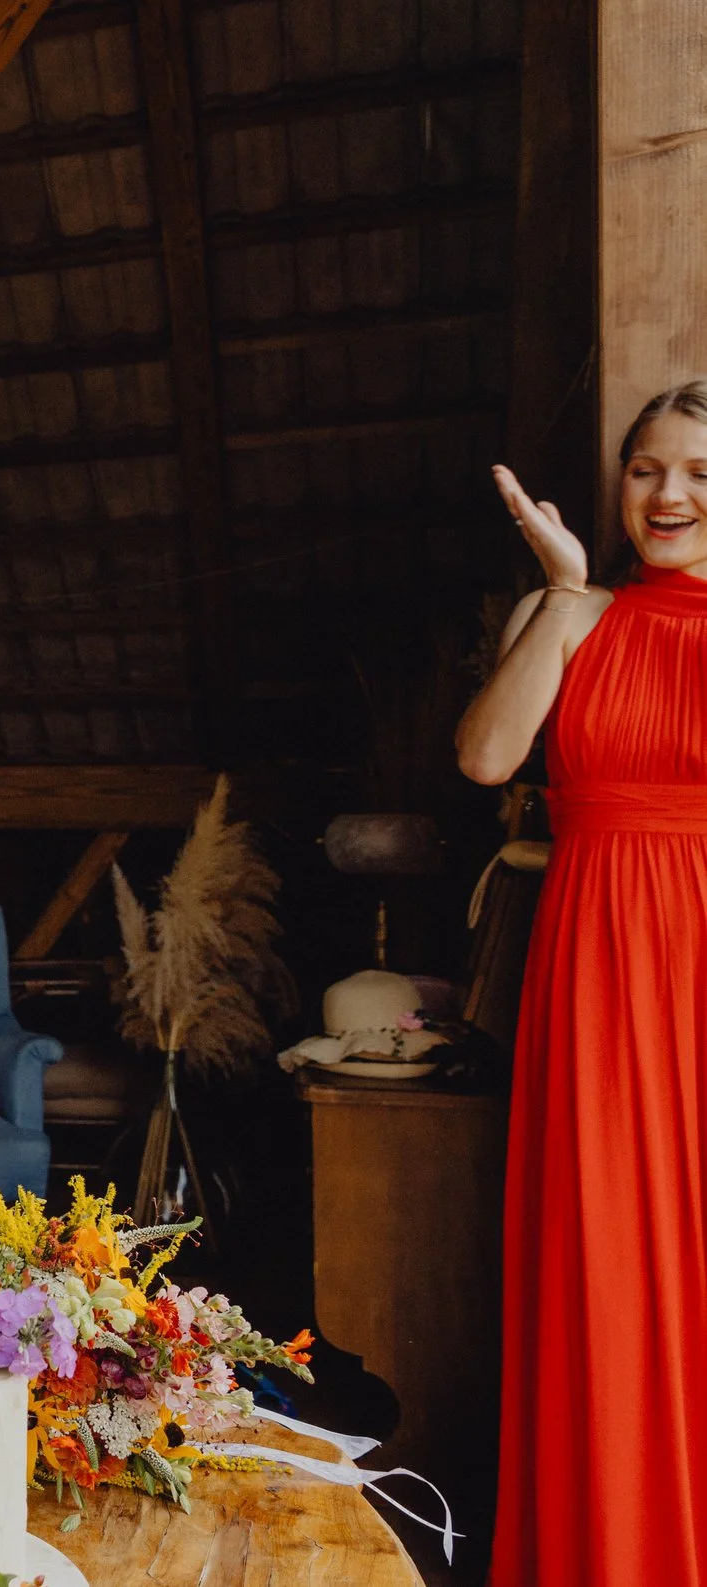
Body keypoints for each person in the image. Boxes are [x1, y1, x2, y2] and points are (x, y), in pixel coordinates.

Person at [459, 385, 707, 1587]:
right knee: (605, 1253)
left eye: (699, 472)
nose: (668, 496)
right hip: (600, 958)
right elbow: (486, 756)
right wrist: (562, 592)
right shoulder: (571, 610)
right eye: (645, 470)